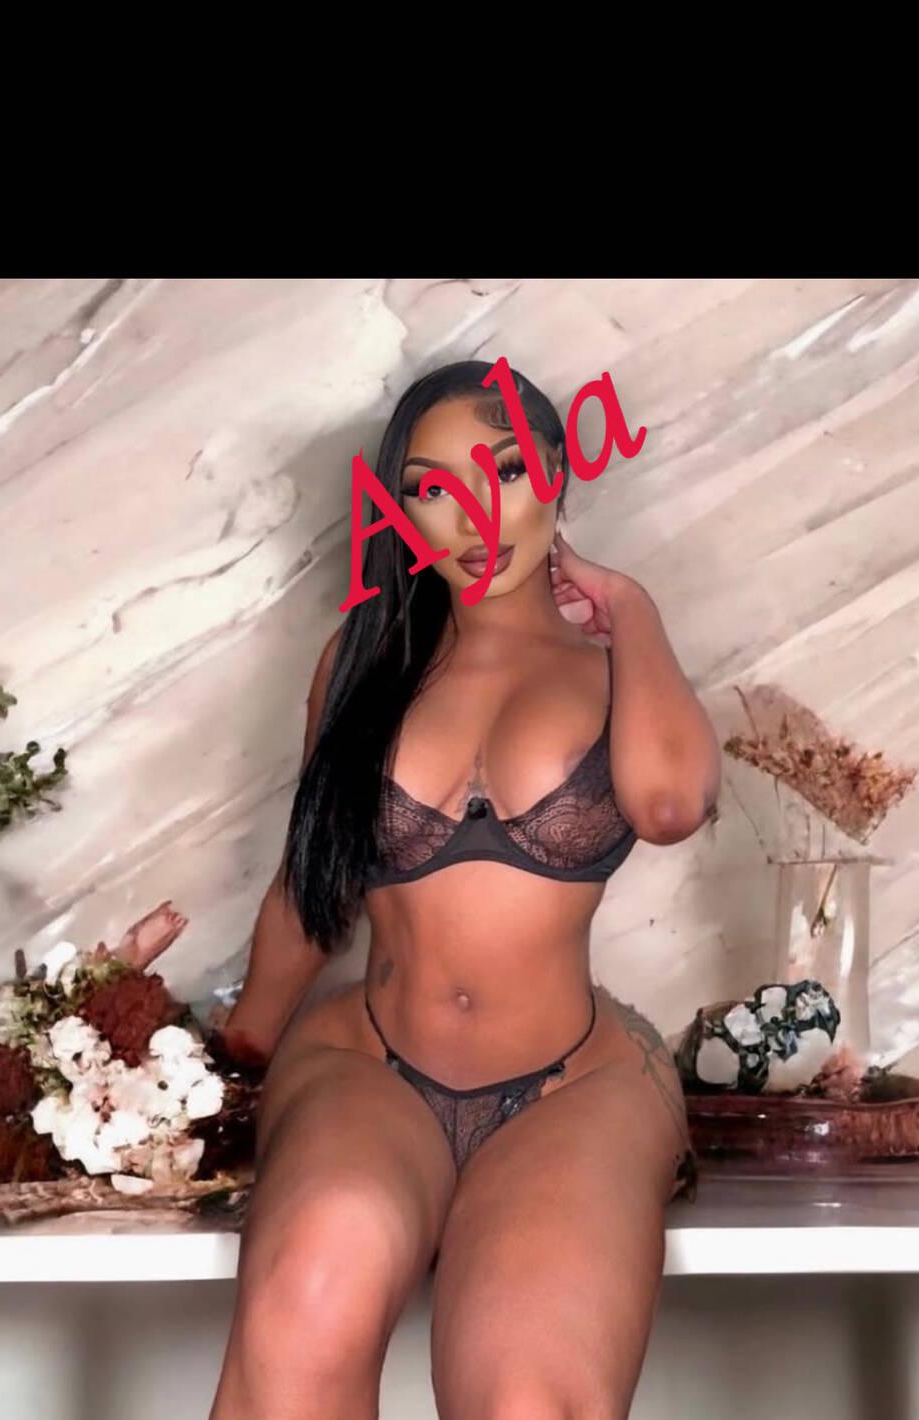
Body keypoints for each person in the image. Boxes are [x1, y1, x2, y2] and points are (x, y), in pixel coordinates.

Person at [207, 360, 722, 1420]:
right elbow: (312, 884)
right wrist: (226, 1060)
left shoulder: (613, 666)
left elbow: (671, 804)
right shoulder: (364, 660)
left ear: (558, 473)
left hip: (570, 1085)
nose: (475, 515)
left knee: (528, 1399)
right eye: (434, 488)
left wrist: (630, 606)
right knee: (310, 1293)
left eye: (506, 472)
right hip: (370, 1067)